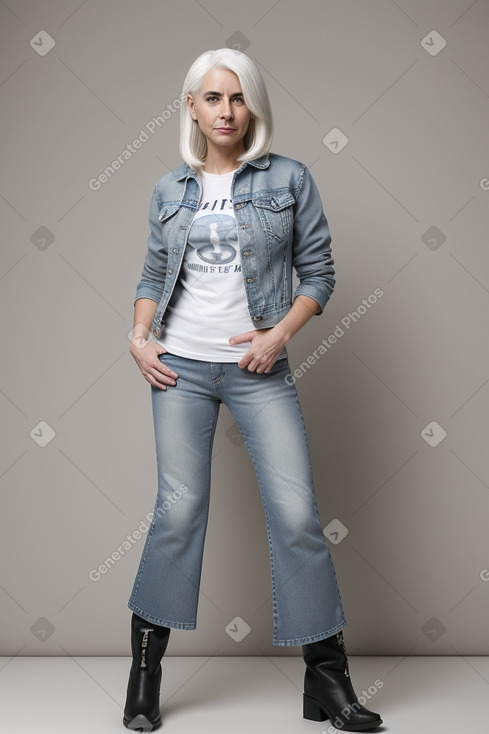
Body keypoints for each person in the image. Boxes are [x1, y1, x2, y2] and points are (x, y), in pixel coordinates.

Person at [123, 48, 383, 732]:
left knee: (296, 516)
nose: (226, 111)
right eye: (212, 98)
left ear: (252, 106)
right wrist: (138, 336)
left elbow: (319, 273)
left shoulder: (289, 178)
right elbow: (153, 275)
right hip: (178, 368)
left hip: (257, 371)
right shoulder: (168, 191)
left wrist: (279, 335)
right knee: (177, 515)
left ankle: (328, 682)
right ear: (191, 107)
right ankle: (144, 680)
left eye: (237, 98)